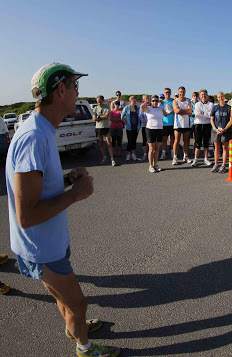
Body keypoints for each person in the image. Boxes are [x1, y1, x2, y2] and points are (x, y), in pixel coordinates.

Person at [6, 62, 120, 356]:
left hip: (48, 242)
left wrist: (68, 180)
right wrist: (75, 195)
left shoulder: (40, 129)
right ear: (60, 91)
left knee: (65, 300)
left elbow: (37, 184)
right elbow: (26, 215)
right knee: (78, 303)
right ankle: (84, 347)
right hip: (40, 246)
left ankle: (74, 326)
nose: (78, 93)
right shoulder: (34, 136)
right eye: (75, 87)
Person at [141, 95, 172, 173]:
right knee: (151, 148)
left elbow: (168, 111)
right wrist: (146, 102)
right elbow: (142, 107)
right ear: (151, 102)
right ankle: (151, 165)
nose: (155, 102)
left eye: (156, 101)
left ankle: (155, 164)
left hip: (159, 129)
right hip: (150, 129)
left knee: (157, 148)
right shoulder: (148, 108)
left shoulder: (161, 109)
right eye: (153, 101)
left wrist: (163, 102)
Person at [210, 91, 232, 173]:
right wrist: (215, 128)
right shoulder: (215, 107)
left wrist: (224, 129)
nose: (220, 98)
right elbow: (212, 119)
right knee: (217, 148)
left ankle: (223, 165)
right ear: (217, 98)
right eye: (219, 97)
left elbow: (231, 120)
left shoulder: (228, 108)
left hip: (225, 131)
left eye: (222, 96)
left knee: (224, 148)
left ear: (224, 97)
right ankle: (216, 164)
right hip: (215, 131)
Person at [192, 89, 214, 167]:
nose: (203, 96)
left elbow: (211, 114)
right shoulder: (197, 104)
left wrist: (203, 113)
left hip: (207, 125)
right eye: (202, 95)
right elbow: (197, 114)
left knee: (206, 143)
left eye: (205, 94)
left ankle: (206, 159)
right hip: (198, 125)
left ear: (207, 95)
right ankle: (196, 159)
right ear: (200, 96)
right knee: (198, 143)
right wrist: (206, 114)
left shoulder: (211, 104)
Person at [92, 95, 115, 166]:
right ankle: (104, 157)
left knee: (109, 143)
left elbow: (107, 115)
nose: (99, 103)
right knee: (101, 143)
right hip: (98, 127)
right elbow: (94, 118)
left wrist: (99, 117)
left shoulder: (107, 106)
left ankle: (112, 159)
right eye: (97, 102)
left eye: (100, 101)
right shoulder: (95, 108)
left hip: (105, 127)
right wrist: (101, 117)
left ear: (103, 100)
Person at [172, 86, 193, 165]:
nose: (182, 93)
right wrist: (185, 111)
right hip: (178, 124)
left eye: (183, 92)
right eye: (180, 92)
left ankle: (185, 156)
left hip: (187, 124)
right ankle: (174, 157)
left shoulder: (188, 101)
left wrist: (181, 110)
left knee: (186, 141)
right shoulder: (175, 101)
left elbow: (190, 111)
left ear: (185, 92)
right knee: (176, 141)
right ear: (178, 92)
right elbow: (176, 111)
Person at [121, 96, 142, 161]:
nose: (135, 102)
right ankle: (128, 155)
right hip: (129, 128)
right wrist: (126, 123)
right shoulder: (126, 108)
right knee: (130, 141)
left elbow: (140, 116)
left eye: (135, 101)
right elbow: (122, 116)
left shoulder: (137, 108)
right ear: (130, 101)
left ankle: (133, 154)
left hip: (136, 127)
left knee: (134, 141)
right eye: (133, 101)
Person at [160, 88, 175, 160]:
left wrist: (167, 105)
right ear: (164, 93)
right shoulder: (161, 102)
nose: (167, 94)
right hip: (164, 123)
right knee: (164, 139)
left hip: (173, 123)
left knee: (172, 139)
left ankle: (173, 152)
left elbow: (174, 109)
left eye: (168, 92)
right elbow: (164, 113)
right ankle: (163, 153)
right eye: (166, 92)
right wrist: (171, 111)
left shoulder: (173, 101)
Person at [139, 94, 149, 161]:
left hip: (152, 126)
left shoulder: (152, 105)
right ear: (144, 100)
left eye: (148, 98)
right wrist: (146, 123)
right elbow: (140, 116)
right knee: (144, 140)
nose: (147, 100)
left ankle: (152, 154)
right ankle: (145, 154)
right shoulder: (142, 106)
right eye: (146, 98)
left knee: (152, 141)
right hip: (145, 126)